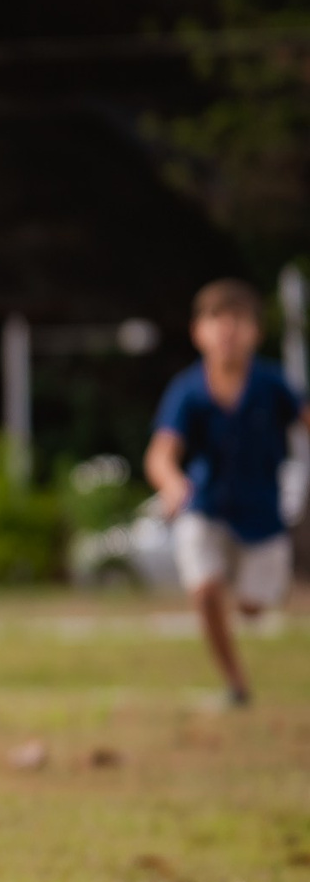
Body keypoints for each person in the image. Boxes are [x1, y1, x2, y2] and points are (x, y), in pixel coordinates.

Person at [144, 279, 308, 708]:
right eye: (217, 320)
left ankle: (253, 590)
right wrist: (172, 483)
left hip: (262, 516)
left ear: (256, 331)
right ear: (199, 331)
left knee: (252, 609)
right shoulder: (188, 391)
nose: (228, 331)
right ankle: (236, 683)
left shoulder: (273, 385)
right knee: (204, 590)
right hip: (206, 507)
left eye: (238, 320)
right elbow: (161, 454)